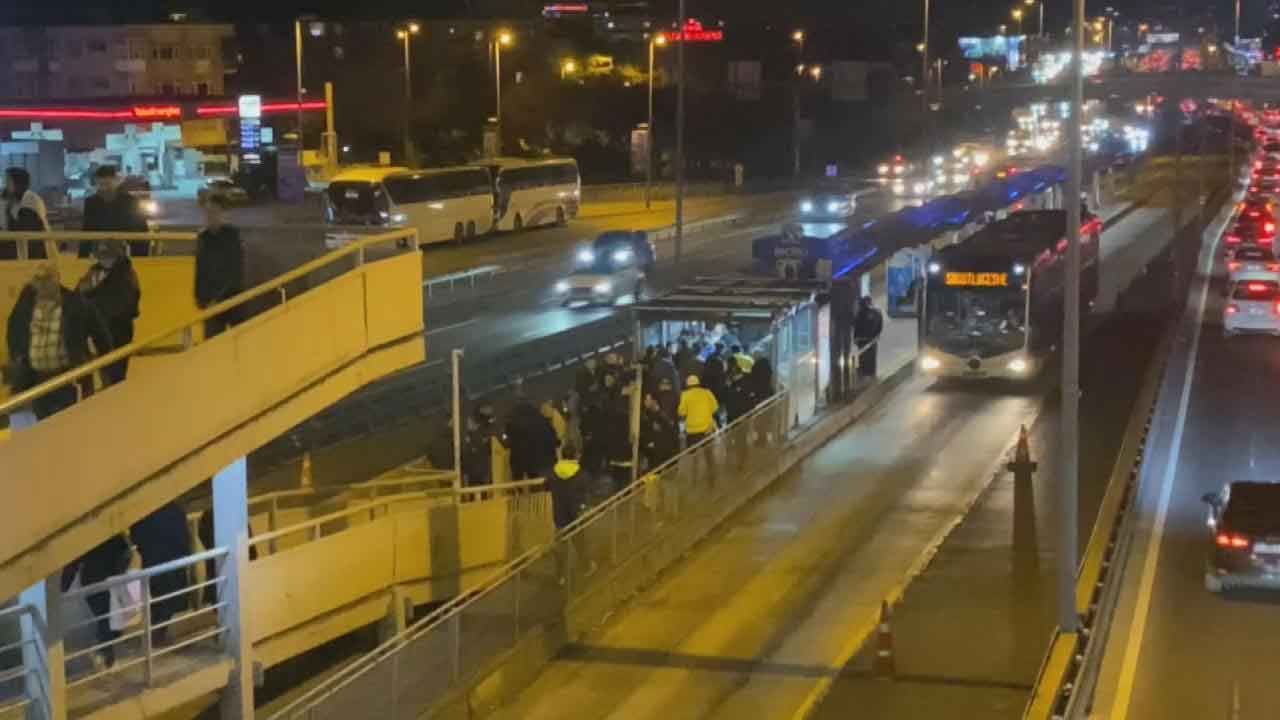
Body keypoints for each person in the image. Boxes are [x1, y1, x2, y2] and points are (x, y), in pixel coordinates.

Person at [5, 264, 114, 419]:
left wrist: (105, 368)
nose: (43, 283)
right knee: (42, 425)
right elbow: (13, 331)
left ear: (57, 280)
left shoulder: (76, 304)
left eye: (47, 279)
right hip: (37, 380)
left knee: (70, 422)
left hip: (67, 379)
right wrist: (17, 357)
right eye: (38, 280)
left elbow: (102, 336)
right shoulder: (25, 306)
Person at [61, 534, 131, 666]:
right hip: (108, 579)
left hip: (94, 581)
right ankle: (108, 648)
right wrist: (120, 571)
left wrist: (63, 587)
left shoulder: (86, 536)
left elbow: (73, 563)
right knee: (107, 615)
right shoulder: (112, 533)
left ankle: (107, 650)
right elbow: (125, 552)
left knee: (104, 616)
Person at [77, 241, 141, 384]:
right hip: (101, 328)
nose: (104, 260)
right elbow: (80, 291)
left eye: (108, 256)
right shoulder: (95, 272)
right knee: (106, 368)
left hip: (119, 328)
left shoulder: (126, 274)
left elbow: (126, 302)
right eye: (101, 256)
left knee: (116, 370)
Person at [130, 502, 192, 645]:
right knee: (171, 601)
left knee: (158, 602)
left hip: (154, 564)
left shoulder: (143, 513)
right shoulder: (176, 510)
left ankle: (156, 636)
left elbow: (136, 536)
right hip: (175, 563)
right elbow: (184, 538)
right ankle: (159, 636)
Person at [194, 193, 245, 339]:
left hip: (232, 299)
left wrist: (217, 299)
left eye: (214, 212)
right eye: (207, 212)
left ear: (222, 213)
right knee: (211, 343)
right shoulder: (203, 238)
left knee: (237, 342)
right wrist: (200, 297)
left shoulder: (231, 236)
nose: (210, 217)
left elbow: (234, 271)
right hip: (210, 303)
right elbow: (200, 269)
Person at [81, 165, 149, 258]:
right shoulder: (91, 203)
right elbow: (87, 230)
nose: (104, 189)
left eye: (107, 184)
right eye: (100, 185)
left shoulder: (131, 202)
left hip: (126, 249)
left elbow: (141, 232)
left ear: (116, 182)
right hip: (100, 250)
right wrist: (82, 257)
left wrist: (140, 261)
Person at [506, 396, 558, 481]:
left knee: (531, 487)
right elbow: (553, 438)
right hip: (544, 461)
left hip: (524, 464)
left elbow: (511, 444)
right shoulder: (541, 419)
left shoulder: (512, 423)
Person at [550, 444, 587, 531]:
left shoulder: (552, 472)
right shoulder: (582, 474)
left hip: (558, 515)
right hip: (576, 516)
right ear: (576, 456)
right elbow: (584, 496)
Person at [639, 393, 680, 471]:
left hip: (663, 457)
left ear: (654, 401)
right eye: (645, 400)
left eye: (647, 400)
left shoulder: (662, 417)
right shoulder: (647, 415)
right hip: (654, 456)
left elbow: (670, 436)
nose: (645, 402)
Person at [3, 167, 48, 232]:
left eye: (8, 182)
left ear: (18, 184)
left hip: (35, 240)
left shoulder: (31, 201)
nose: (5, 185)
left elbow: (24, 230)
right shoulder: (14, 199)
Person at [678, 374, 719, 447]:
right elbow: (715, 408)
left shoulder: (684, 395)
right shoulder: (707, 392)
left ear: (687, 385)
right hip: (707, 429)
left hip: (692, 432)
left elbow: (681, 412)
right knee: (709, 455)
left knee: (694, 456)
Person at [853, 295, 884, 380]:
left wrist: (856, 337)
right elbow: (880, 326)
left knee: (863, 357)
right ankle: (871, 373)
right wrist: (877, 335)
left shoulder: (861, 312)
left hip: (862, 339)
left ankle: (863, 373)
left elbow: (856, 325)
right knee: (871, 357)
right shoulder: (877, 312)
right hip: (872, 340)